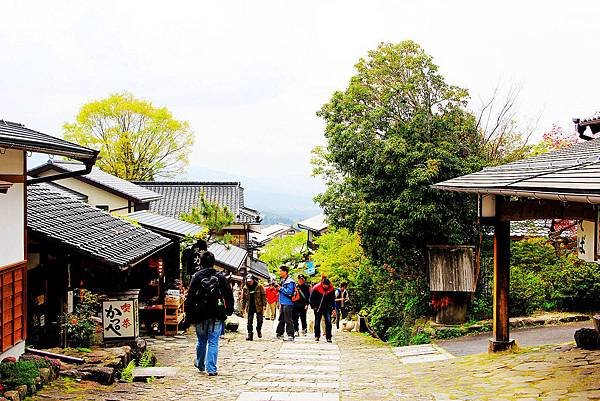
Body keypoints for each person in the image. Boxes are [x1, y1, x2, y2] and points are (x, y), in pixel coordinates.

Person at [184, 251, 234, 376]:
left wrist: (189, 315)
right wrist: (229, 310)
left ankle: (201, 364)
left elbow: (189, 297)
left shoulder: (196, 277)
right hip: (216, 313)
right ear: (213, 262)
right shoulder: (220, 277)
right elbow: (228, 295)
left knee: (201, 341)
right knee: (213, 341)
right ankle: (211, 369)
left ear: (200, 262)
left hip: (199, 313)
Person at [309, 277, 336, 342]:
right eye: (325, 285)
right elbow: (312, 299)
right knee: (317, 322)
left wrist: (333, 308)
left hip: (327, 308)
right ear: (322, 284)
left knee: (328, 322)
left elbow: (332, 299)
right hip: (318, 308)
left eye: (327, 285)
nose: (326, 287)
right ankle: (317, 336)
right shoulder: (316, 288)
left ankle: (328, 337)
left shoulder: (331, 289)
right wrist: (314, 307)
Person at [240, 274, 266, 341]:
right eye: (248, 281)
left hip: (258, 306)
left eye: (250, 281)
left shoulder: (259, 286)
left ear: (253, 280)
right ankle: (250, 334)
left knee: (260, 320)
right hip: (250, 306)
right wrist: (242, 308)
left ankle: (258, 329)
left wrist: (264, 305)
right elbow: (243, 299)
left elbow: (263, 296)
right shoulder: (245, 288)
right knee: (249, 322)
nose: (249, 282)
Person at [275, 265, 296, 341]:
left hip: (288, 303)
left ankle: (290, 335)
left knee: (288, 319)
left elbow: (289, 292)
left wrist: (280, 288)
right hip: (283, 302)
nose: (279, 272)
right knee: (282, 319)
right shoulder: (283, 280)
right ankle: (280, 333)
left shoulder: (290, 281)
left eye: (280, 271)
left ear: (285, 272)